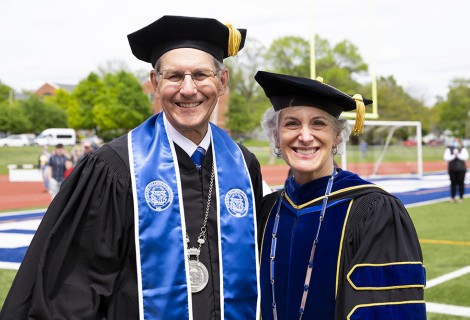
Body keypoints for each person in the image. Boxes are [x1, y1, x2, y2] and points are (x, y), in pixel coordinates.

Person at [1, 16, 263, 320]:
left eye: (202, 75)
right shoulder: (115, 168)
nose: (189, 89)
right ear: (155, 83)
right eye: (174, 76)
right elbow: (73, 292)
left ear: (222, 81)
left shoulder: (244, 166)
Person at [254, 71, 426, 319]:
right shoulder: (268, 210)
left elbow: (388, 310)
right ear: (276, 137)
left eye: (318, 123)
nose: (304, 136)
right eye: (291, 123)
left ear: (336, 137)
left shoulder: (372, 210)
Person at [444, 137, 468, 203]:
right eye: (454, 141)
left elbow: (465, 157)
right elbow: (446, 158)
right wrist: (454, 155)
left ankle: (461, 197)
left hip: (461, 169)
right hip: (452, 168)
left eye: (457, 141)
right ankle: (452, 197)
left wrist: (458, 154)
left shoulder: (463, 148)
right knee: (453, 183)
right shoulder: (449, 148)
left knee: (461, 183)